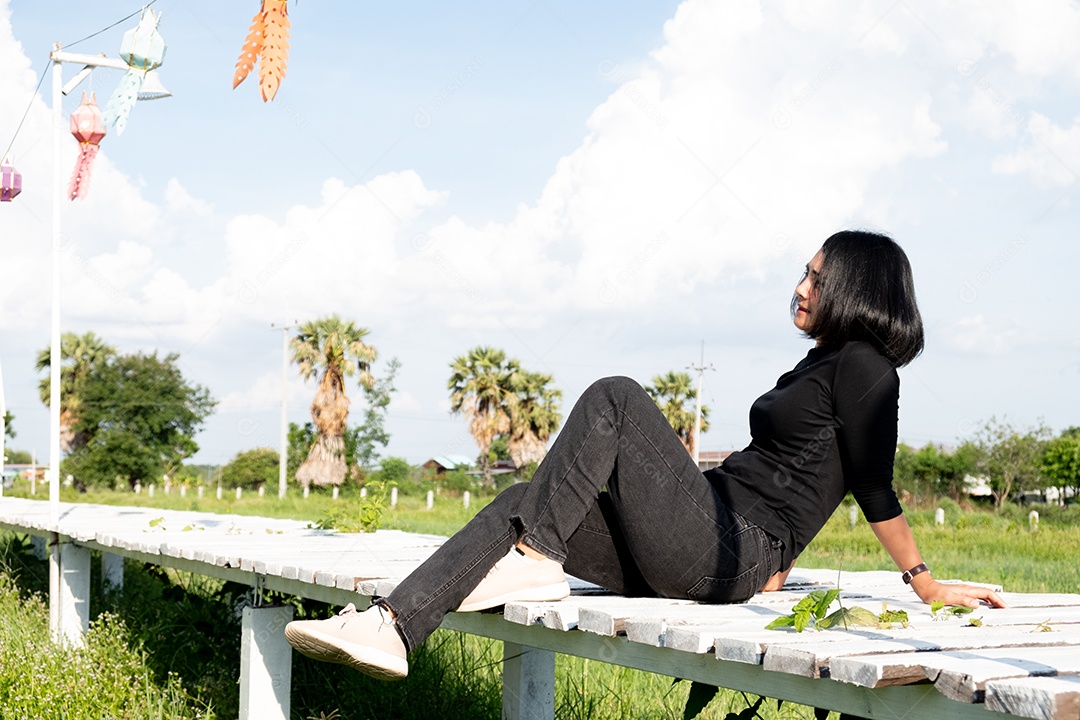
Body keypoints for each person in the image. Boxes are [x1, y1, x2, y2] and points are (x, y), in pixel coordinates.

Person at [284, 230, 1006, 681]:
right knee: (522, 501)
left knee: (616, 397)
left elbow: (870, 484)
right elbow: (803, 473)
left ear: (855, 287)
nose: (800, 286)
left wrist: (924, 582)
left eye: (816, 277)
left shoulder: (867, 367)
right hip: (714, 532)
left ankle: (536, 563)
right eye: (804, 272)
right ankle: (393, 627)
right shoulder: (820, 366)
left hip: (729, 549)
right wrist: (779, 551)